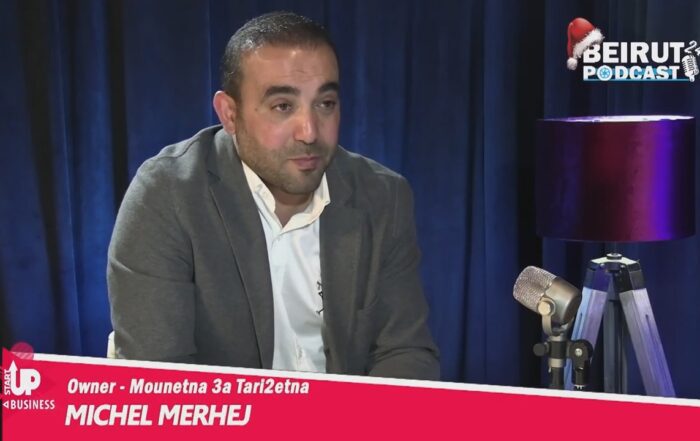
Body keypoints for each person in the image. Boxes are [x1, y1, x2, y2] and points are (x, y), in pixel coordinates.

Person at [107, 11, 439, 380]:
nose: (309, 131)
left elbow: (404, 351)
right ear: (230, 114)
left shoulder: (383, 196)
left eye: (325, 103)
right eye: (283, 106)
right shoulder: (168, 196)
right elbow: (163, 381)